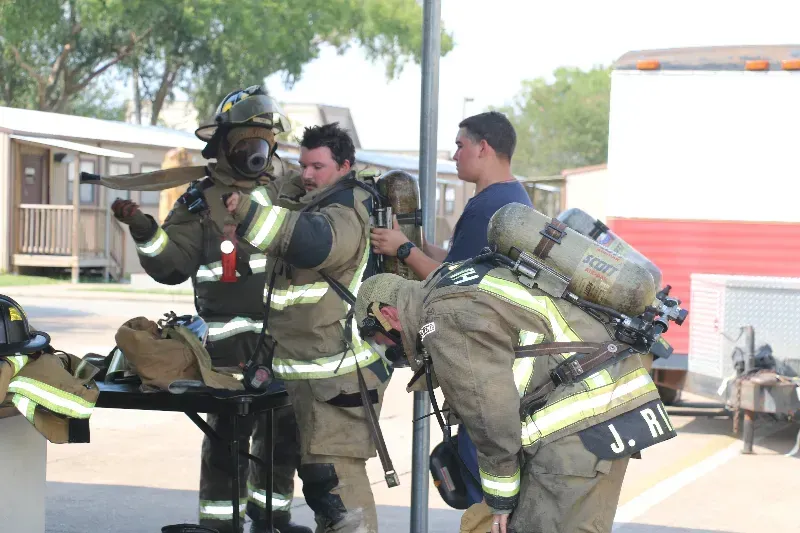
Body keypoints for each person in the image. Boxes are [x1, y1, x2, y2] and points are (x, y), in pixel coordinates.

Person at [352, 256, 675, 533]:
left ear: (388, 314)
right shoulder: (459, 281)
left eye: (383, 339)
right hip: (606, 408)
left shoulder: (443, 317)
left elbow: (489, 412)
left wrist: (500, 497)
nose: (392, 348)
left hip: (578, 429)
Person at [110, 86, 309, 533]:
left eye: (262, 140)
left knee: (283, 441)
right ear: (223, 144)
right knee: (227, 446)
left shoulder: (291, 187)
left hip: (287, 347)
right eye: (245, 140)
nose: (255, 150)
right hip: (227, 356)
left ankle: (272, 520)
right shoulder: (199, 202)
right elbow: (170, 265)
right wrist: (143, 229)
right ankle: (220, 526)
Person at [223, 123, 392, 533]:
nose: (307, 174)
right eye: (303, 165)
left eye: (318, 166)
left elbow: (316, 244)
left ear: (345, 166)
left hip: (341, 377)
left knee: (340, 489)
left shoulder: (347, 209)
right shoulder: (312, 201)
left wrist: (247, 212)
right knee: (324, 489)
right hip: (316, 376)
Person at [370, 110, 533, 506]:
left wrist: (403, 250)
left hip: (483, 360)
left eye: (460, 145)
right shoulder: (513, 197)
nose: (454, 154)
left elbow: (454, 286)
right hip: (504, 354)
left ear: (483, 147)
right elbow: (460, 264)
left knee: (480, 489)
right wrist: (418, 241)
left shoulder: (487, 207)